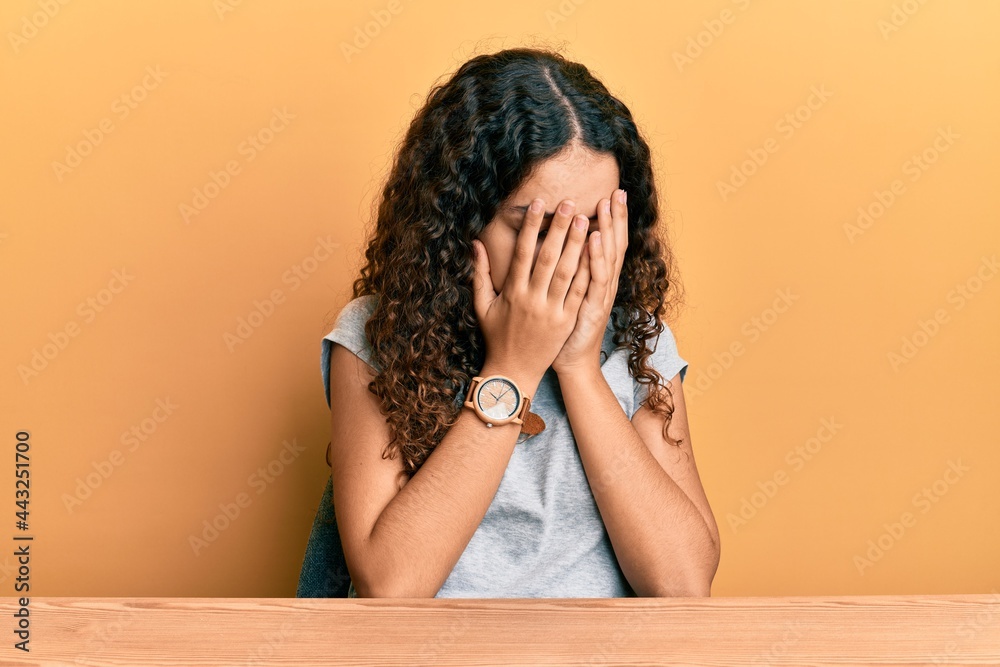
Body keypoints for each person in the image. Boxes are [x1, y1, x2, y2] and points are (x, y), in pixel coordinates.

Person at [320, 47, 720, 598]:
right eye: (533, 228)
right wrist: (514, 367)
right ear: (459, 219)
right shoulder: (375, 335)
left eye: (593, 225)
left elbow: (683, 583)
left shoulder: (639, 343)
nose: (565, 255)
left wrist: (579, 368)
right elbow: (392, 586)